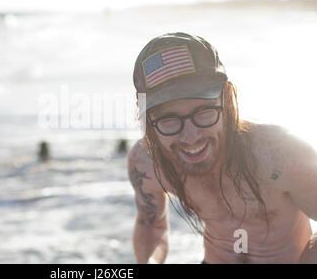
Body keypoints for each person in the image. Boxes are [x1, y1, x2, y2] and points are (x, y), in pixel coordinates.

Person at [128, 32, 317, 264]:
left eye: (204, 112)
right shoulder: (147, 163)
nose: (191, 138)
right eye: (169, 119)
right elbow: (151, 226)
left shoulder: (280, 155)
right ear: (144, 115)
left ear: (226, 98)